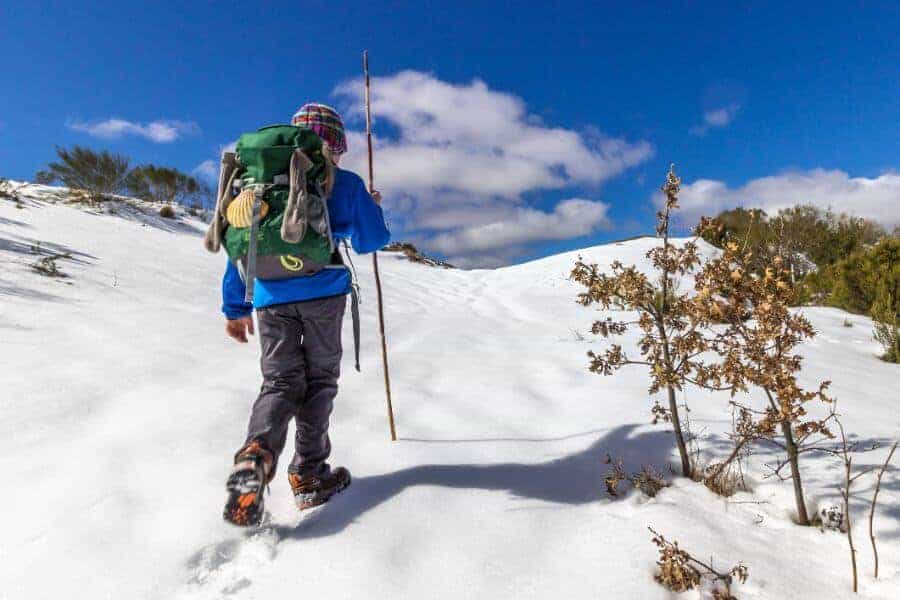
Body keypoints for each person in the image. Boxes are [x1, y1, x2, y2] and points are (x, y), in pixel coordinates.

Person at [222, 103, 390, 526]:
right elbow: (373, 240)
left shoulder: (256, 186)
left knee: (279, 381)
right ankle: (309, 475)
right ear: (333, 145)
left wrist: (235, 308)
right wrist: (369, 205)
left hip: (268, 297)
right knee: (319, 383)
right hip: (324, 296)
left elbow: (240, 249)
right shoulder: (343, 182)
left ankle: (255, 453)